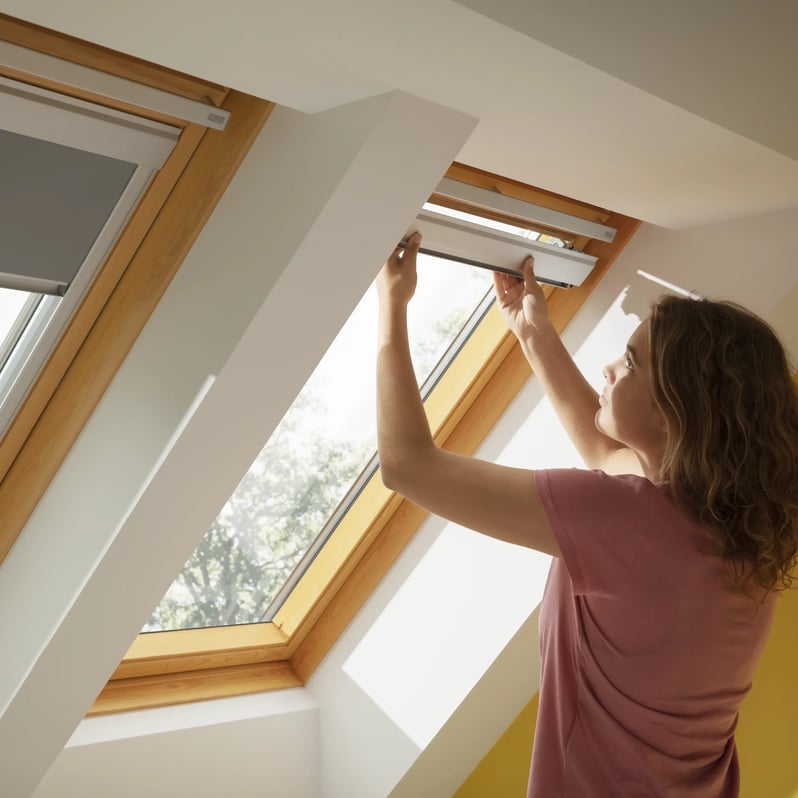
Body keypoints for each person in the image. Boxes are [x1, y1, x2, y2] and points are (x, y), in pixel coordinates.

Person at [376, 232, 798, 797]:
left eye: (629, 362)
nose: (608, 367)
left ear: (677, 408)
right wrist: (532, 333)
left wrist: (391, 306)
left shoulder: (629, 522)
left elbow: (408, 466)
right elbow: (611, 455)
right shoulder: (736, 528)